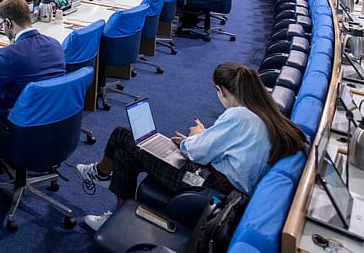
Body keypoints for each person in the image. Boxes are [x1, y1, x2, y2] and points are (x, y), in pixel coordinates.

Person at [76, 62, 306, 231]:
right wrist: (206, 135)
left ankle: (100, 174)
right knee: (126, 154)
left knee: (122, 135)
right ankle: (115, 216)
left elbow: (195, 152)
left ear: (221, 90)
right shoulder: (264, 114)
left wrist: (193, 137)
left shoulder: (238, 116)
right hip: (224, 183)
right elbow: (226, 146)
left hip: (208, 186)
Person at [0, 0, 65, 125]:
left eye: (1, 24)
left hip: (19, 121)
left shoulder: (10, 55)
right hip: (51, 115)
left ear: (8, 23)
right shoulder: (55, 44)